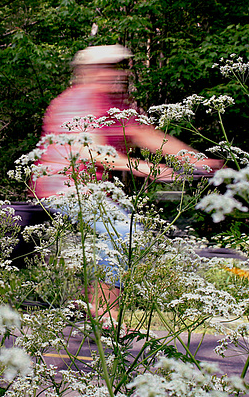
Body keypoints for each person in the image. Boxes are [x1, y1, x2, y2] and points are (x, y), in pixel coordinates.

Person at [31, 44, 222, 325]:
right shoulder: (77, 102)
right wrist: (147, 169)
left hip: (94, 192)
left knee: (129, 232)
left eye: (119, 67)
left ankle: (91, 306)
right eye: (107, 67)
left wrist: (198, 161)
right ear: (87, 71)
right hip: (61, 188)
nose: (116, 73)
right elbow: (90, 151)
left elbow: (145, 135)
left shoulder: (118, 105)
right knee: (124, 231)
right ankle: (104, 313)